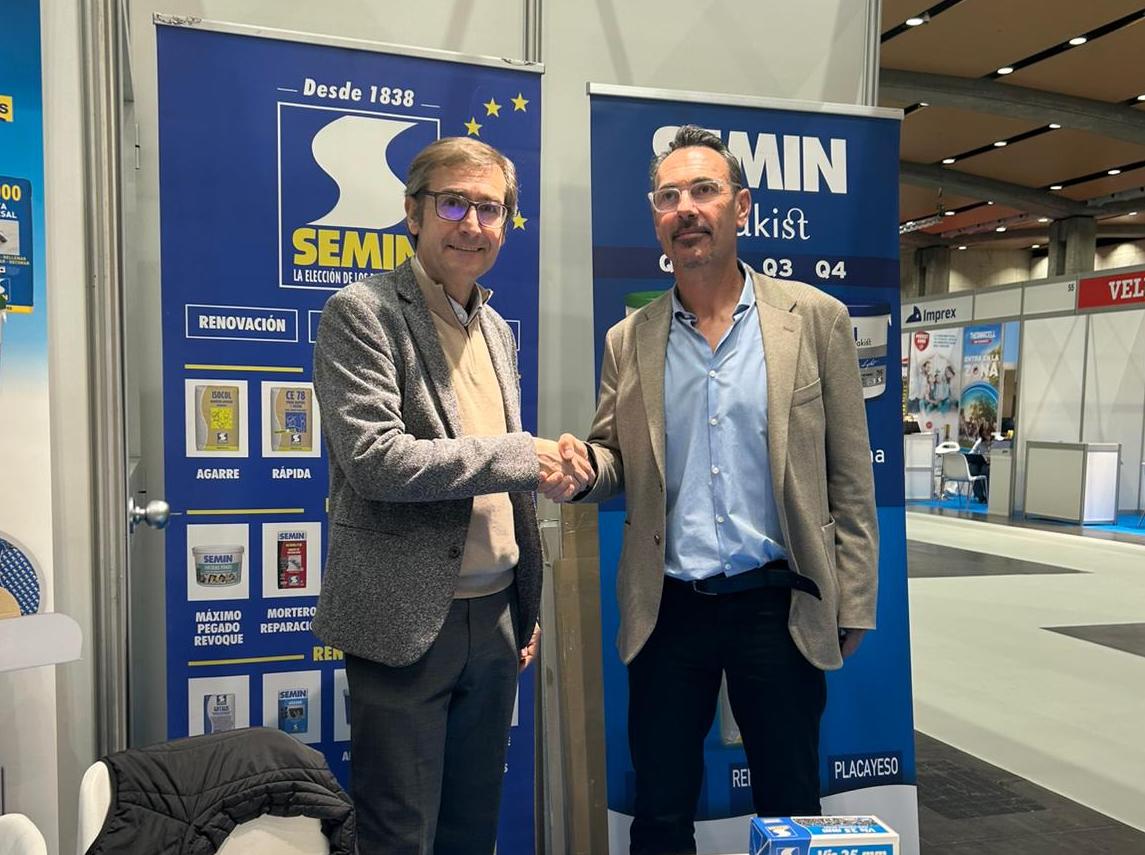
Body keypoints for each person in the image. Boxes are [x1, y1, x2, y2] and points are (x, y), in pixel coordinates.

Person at [550, 126, 878, 855]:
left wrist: (854, 597)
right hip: (668, 606)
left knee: (790, 803)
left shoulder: (813, 319)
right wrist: (583, 470)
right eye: (669, 197)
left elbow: (850, 473)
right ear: (656, 219)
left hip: (779, 601)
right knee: (661, 812)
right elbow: (613, 456)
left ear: (742, 206)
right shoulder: (629, 339)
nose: (686, 209)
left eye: (704, 190)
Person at [311, 137, 590, 855]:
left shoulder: (494, 327)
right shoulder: (362, 312)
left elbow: (495, 487)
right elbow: (375, 461)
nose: (472, 223)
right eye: (453, 204)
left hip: (495, 617)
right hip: (405, 619)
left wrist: (523, 602)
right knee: (399, 833)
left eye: (489, 208)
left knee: (472, 828)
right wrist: (519, 455)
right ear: (413, 213)